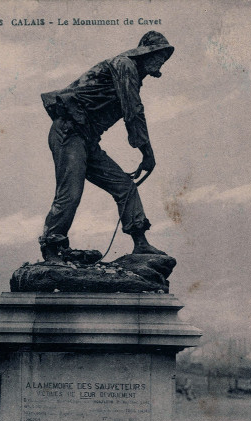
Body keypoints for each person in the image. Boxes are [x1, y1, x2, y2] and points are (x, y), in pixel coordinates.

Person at [39, 31, 174, 261]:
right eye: (158, 54)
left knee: (125, 186)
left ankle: (140, 243)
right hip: (69, 132)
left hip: (87, 140)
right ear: (146, 53)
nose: (162, 60)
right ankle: (52, 246)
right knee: (70, 193)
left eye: (164, 56)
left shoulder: (132, 74)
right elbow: (134, 111)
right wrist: (147, 154)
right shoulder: (125, 65)